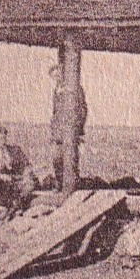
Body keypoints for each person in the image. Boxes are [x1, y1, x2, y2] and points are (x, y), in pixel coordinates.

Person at [0, 125, 34, 223]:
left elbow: (27, 165)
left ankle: (14, 209)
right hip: (0, 186)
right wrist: (0, 177)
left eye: (4, 138)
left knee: (29, 185)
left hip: (15, 183)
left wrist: (26, 176)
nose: (2, 141)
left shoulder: (15, 150)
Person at [49, 61, 88, 189]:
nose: (56, 79)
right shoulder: (56, 90)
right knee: (56, 158)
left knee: (71, 160)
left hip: (70, 131)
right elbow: (55, 112)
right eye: (54, 77)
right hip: (57, 133)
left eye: (58, 75)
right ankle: (60, 185)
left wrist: (79, 129)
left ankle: (71, 186)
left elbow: (83, 109)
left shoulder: (75, 89)